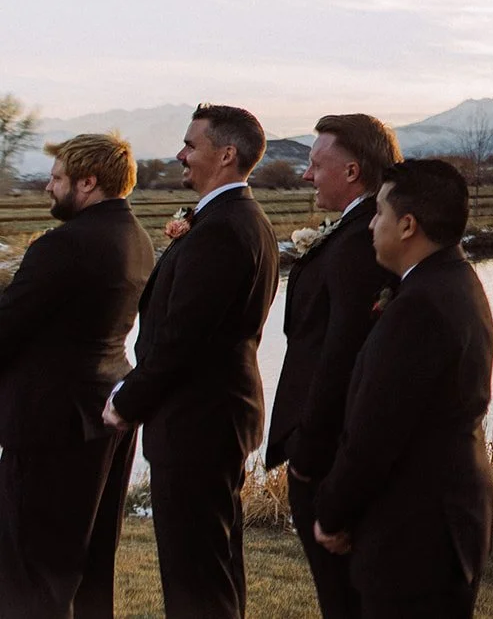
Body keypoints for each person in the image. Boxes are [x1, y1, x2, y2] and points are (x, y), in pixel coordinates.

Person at [105, 104, 279, 618]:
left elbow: (183, 338)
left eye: (190, 145)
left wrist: (127, 401)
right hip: (211, 417)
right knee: (212, 564)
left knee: (195, 574)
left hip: (198, 420)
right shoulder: (235, 218)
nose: (180, 155)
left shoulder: (224, 228)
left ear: (226, 155)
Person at [313, 159, 493, 619]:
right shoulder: (455, 281)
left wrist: (332, 514)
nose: (371, 224)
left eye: (379, 212)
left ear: (408, 225)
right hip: (444, 522)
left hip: (415, 536)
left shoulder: (420, 307)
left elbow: (374, 434)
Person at [0, 133, 154, 618]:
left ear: (88, 182)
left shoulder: (63, 245)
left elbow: (8, 328)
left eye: (57, 178)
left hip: (51, 424)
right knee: (88, 566)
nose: (48, 187)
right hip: (105, 413)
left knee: (32, 571)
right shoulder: (138, 238)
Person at [266, 113, 401, 618]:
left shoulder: (364, 242)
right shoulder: (353, 230)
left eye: (315, 165)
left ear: (351, 172)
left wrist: (307, 457)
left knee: (345, 600)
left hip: (328, 454)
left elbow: (343, 355)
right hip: (323, 449)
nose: (306, 175)